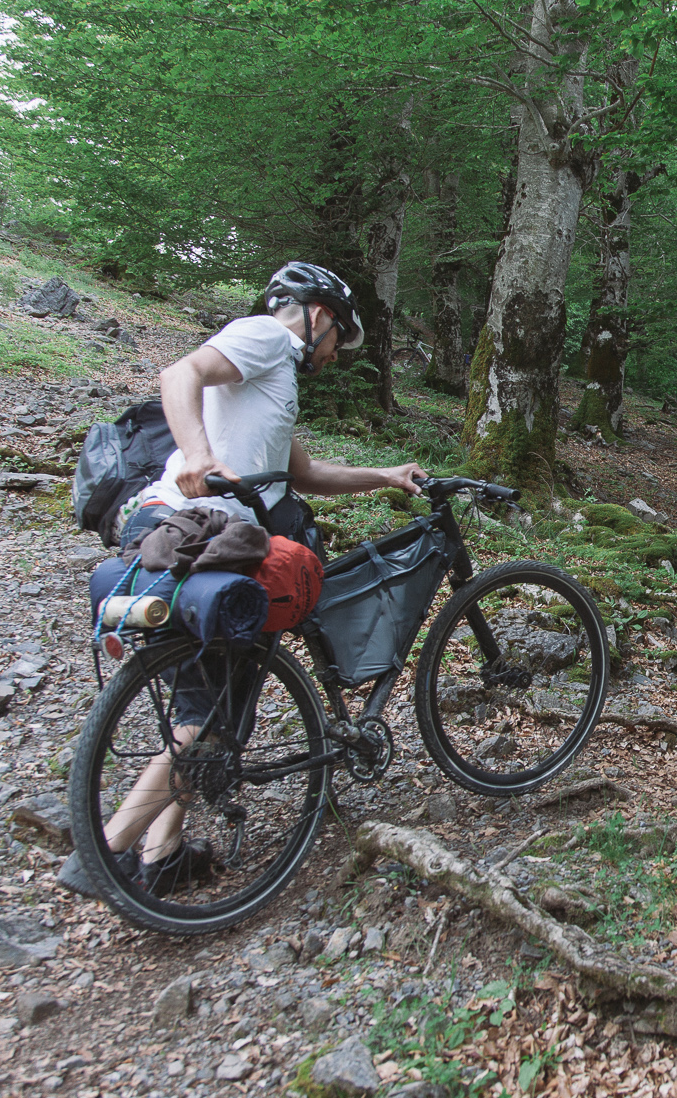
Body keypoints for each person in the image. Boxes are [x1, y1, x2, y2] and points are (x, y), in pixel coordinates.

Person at [59, 261, 428, 901]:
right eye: (338, 337)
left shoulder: (273, 379)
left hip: (214, 542)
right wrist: (198, 455)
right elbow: (180, 373)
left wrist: (386, 475)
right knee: (212, 712)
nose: (335, 354)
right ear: (317, 316)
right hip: (196, 533)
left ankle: (163, 852)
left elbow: (302, 474)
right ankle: (105, 851)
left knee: (218, 705)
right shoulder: (266, 337)